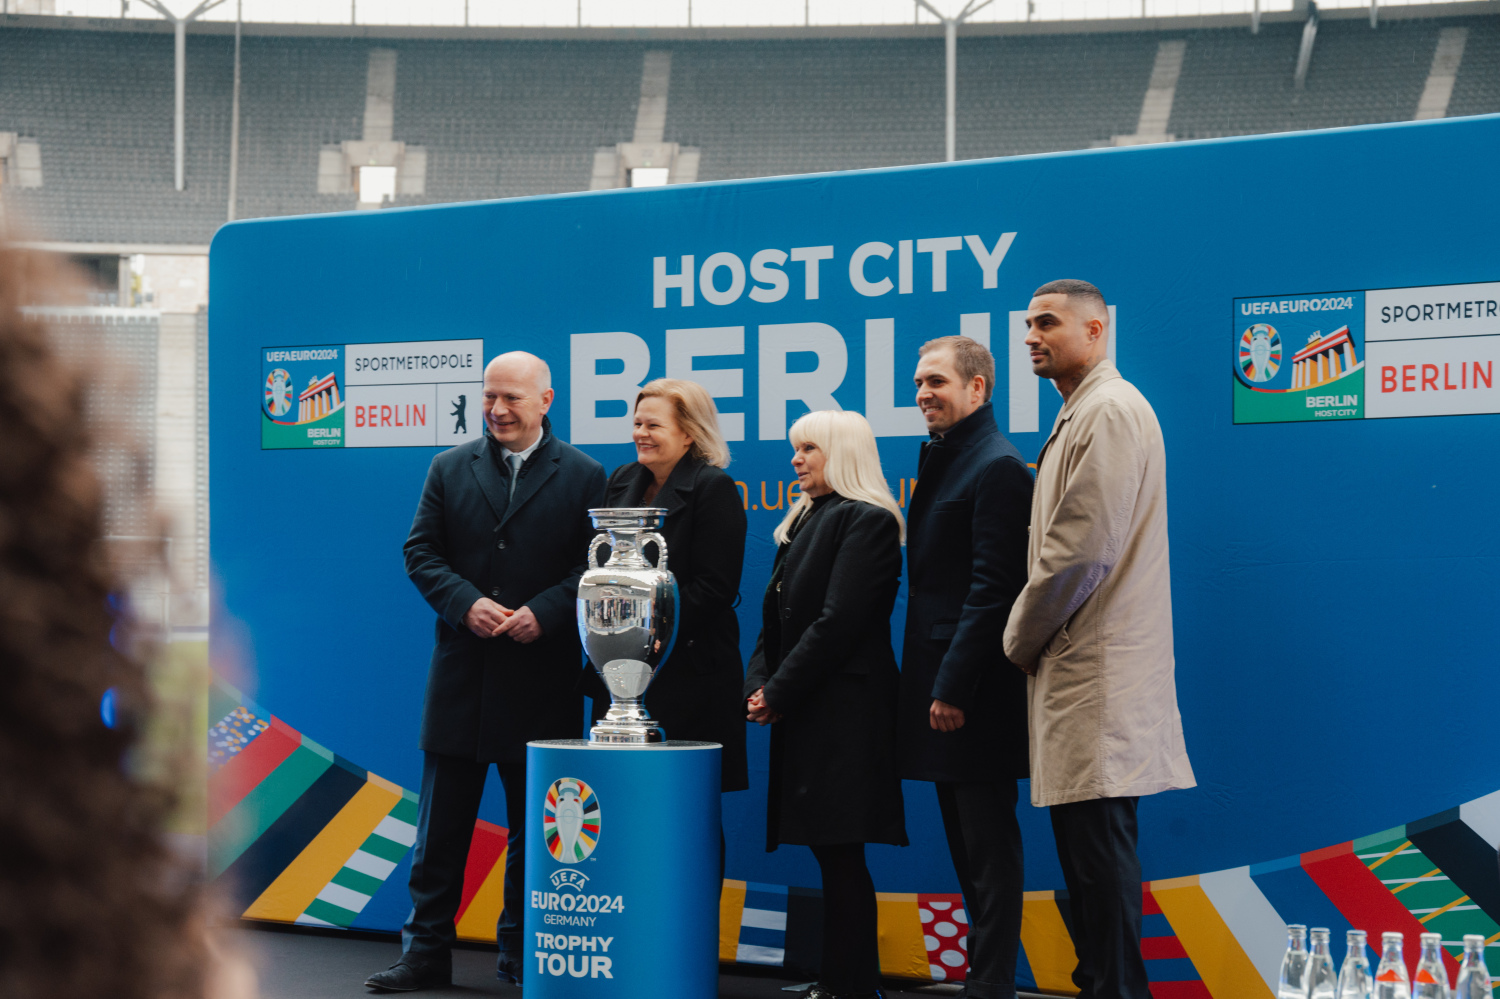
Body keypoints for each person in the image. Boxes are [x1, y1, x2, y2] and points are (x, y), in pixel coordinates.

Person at [368, 351, 605, 992]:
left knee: (535, 832)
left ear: (546, 401)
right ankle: (424, 954)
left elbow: (596, 567)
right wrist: (463, 601)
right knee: (439, 829)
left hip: (541, 681)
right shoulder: (448, 467)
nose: (497, 410)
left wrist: (547, 612)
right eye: (489, 397)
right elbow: (420, 551)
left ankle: (523, 954)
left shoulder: (586, 475)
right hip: (461, 679)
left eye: (512, 399)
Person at [1003, 280, 1195, 999]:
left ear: (1096, 330)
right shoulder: (1088, 410)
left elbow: (1081, 551)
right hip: (1084, 672)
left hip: (1095, 673)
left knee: (1100, 867)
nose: (1031, 335)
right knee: (1091, 868)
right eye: (1027, 323)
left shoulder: (1108, 411)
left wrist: (1018, 637)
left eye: (1047, 322)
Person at [745, 410, 907, 999]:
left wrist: (778, 690)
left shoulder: (868, 522)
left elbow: (839, 623)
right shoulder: (808, 518)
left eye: (809, 447)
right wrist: (760, 685)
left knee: (840, 850)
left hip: (845, 717)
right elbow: (776, 621)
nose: (796, 458)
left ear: (841, 453)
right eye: (796, 448)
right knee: (828, 848)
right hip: (809, 706)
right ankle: (842, 981)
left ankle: (852, 987)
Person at [899, 336, 1033, 999]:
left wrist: (952, 685)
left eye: (937, 381)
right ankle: (986, 976)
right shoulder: (952, 456)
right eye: (919, 381)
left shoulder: (998, 465)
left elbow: (993, 588)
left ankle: (992, 982)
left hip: (973, 692)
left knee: (988, 847)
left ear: (978, 388)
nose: (923, 392)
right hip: (939, 680)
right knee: (966, 839)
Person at [589, 379, 749, 808]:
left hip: (689, 674)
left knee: (684, 807)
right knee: (620, 802)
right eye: (637, 423)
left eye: (653, 425)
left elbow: (715, 588)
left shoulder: (713, 488)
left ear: (689, 433)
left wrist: (645, 630)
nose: (640, 433)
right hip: (618, 671)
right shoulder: (622, 480)